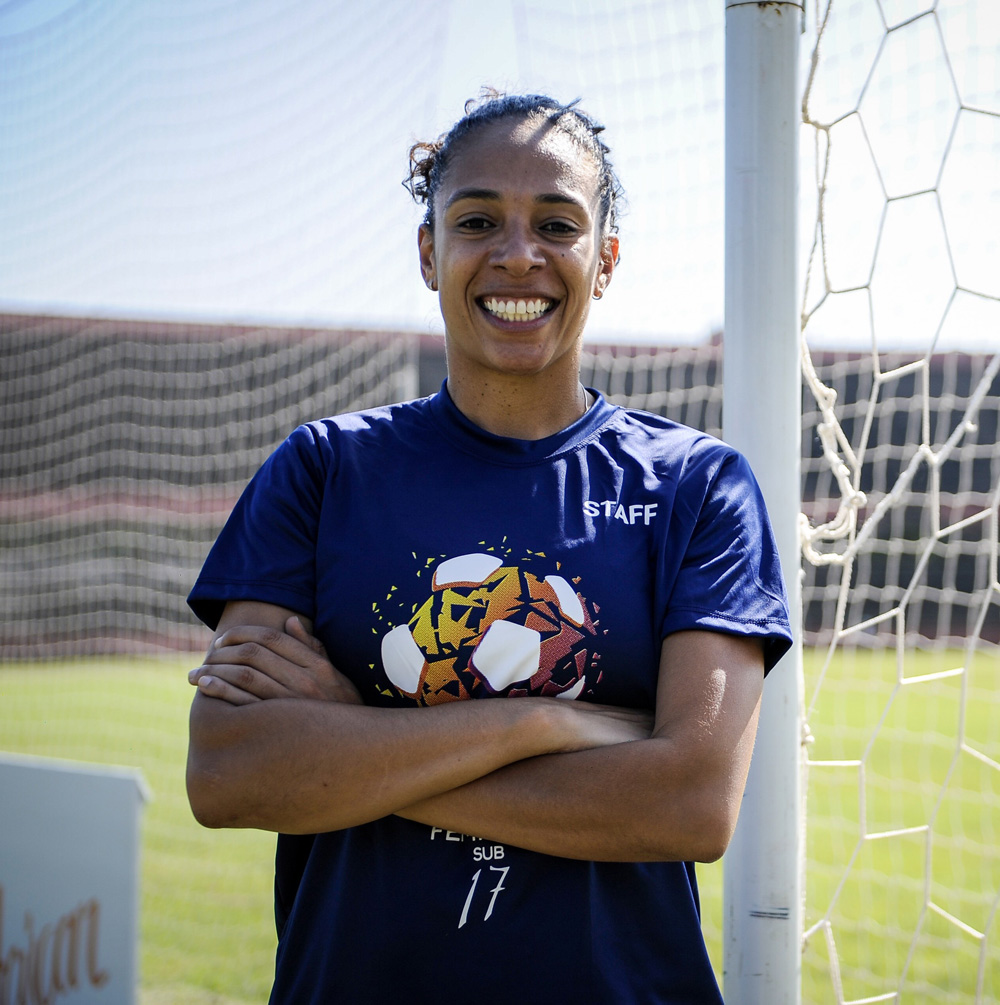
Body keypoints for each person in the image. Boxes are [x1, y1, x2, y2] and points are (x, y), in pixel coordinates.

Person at [186, 91, 793, 1004]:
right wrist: (538, 722)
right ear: (429, 252)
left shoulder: (695, 487)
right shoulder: (321, 471)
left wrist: (355, 741)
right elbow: (231, 772)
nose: (519, 254)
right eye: (477, 220)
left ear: (606, 260)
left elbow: (690, 804)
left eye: (557, 223)